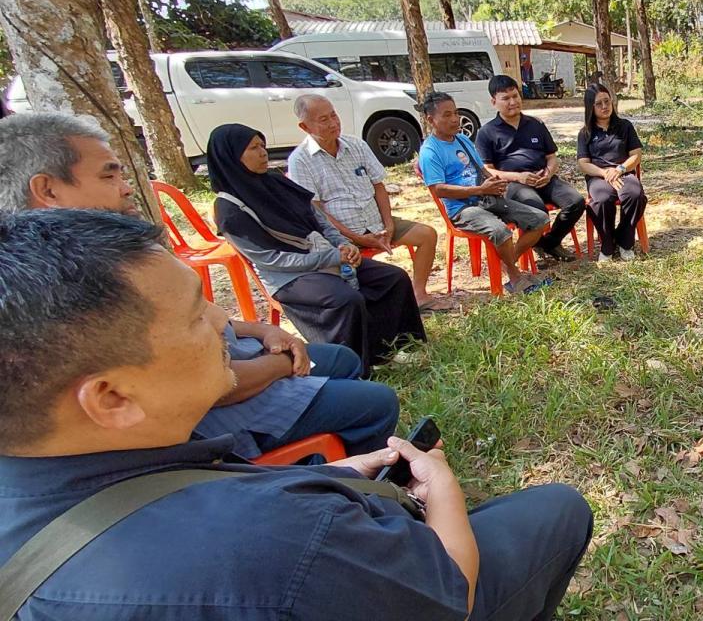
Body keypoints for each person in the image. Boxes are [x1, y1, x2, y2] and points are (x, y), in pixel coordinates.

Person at [0, 209, 594, 619]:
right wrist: (442, 491)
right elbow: (450, 591)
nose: (220, 323)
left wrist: (333, 474)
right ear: (112, 398)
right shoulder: (276, 537)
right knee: (556, 509)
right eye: (193, 314)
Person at [0, 112, 401, 459]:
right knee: (374, 398)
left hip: (238, 361)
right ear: (48, 190)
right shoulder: (81, 285)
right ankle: (340, 484)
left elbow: (211, 320)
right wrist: (282, 365)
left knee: (343, 359)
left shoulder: (103, 253)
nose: (126, 186)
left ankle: (322, 452)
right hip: (218, 404)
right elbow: (214, 385)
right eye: (109, 174)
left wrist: (262, 329)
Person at [208, 123, 426, 370]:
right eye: (253, 148)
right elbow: (272, 260)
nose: (263, 153)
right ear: (231, 157)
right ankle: (354, 365)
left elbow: (318, 218)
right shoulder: (229, 210)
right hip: (290, 277)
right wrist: (332, 257)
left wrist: (344, 244)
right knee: (345, 299)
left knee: (392, 277)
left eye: (263, 145)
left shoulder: (275, 181)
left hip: (324, 254)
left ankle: (393, 349)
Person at [287, 94, 456, 312]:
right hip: (341, 234)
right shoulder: (299, 160)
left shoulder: (356, 144)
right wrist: (356, 238)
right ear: (305, 126)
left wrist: (389, 225)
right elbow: (317, 211)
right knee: (345, 264)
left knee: (427, 234)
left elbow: (379, 186)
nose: (333, 123)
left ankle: (419, 293)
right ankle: (368, 307)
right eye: (324, 120)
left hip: (376, 221)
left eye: (334, 115)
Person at [418, 91, 550, 294]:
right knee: (500, 231)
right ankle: (515, 278)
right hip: (462, 208)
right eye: (446, 115)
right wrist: (479, 189)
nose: (455, 119)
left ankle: (508, 262)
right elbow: (439, 189)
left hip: (486, 198)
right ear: (430, 119)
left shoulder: (462, 140)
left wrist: (495, 182)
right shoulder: (430, 151)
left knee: (540, 219)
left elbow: (481, 169)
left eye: (455, 113)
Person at [474, 74, 585, 263]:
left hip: (543, 178)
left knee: (576, 201)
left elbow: (552, 158)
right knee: (536, 209)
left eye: (515, 96)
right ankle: (533, 248)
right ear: (494, 101)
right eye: (505, 98)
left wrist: (549, 173)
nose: (512, 102)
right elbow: (487, 170)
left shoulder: (536, 124)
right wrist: (518, 177)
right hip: (513, 184)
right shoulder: (487, 132)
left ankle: (548, 243)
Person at [576, 83, 647, 261]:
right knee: (601, 199)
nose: (604, 107)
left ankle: (625, 241)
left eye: (607, 101)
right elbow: (584, 164)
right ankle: (607, 244)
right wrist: (604, 173)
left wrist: (620, 169)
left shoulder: (625, 126)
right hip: (598, 176)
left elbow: (636, 155)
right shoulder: (585, 133)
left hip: (623, 173)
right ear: (590, 108)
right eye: (598, 104)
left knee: (634, 194)